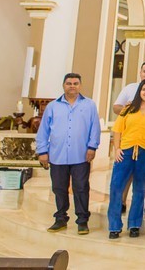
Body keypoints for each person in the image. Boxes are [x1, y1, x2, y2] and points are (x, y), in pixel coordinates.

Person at [36, 73, 101, 235]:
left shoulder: (89, 105)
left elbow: (95, 128)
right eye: (69, 83)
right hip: (57, 155)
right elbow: (43, 130)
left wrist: (92, 147)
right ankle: (60, 218)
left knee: (81, 188)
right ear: (63, 85)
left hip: (81, 155)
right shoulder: (52, 106)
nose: (72, 86)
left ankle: (82, 220)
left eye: (75, 83)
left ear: (80, 85)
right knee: (59, 188)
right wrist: (42, 151)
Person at [108, 79, 145, 239]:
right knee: (116, 187)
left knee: (139, 189)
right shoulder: (129, 108)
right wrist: (117, 149)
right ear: (139, 91)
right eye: (144, 89)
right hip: (125, 151)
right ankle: (114, 226)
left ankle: (134, 224)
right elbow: (118, 130)